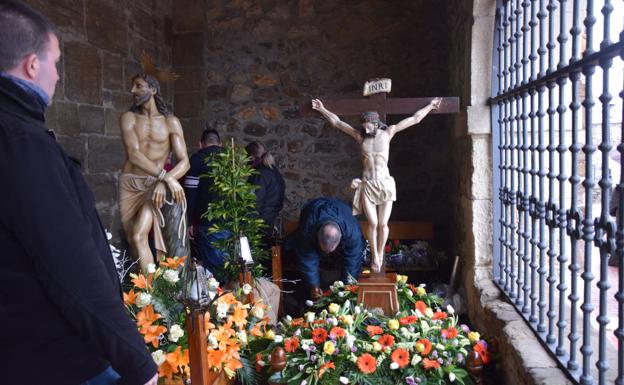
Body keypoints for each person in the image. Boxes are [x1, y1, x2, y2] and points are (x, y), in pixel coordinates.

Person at [0, 1, 157, 384]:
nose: (57, 75)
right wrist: (138, 361)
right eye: (55, 62)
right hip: (54, 358)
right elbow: (68, 262)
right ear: (32, 65)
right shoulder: (21, 141)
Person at [312, 97, 441, 272]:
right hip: (367, 185)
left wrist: (430, 106)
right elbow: (337, 123)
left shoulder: (389, 133)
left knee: (382, 224)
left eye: (367, 125)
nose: (364, 128)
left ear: (375, 123)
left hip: (385, 184)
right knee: (372, 223)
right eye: (363, 125)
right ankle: (375, 255)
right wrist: (322, 109)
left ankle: (380, 253)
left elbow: (415, 119)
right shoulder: (360, 138)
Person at [119, 73, 190, 271]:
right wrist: (166, 177)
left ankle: (150, 293)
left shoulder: (170, 122)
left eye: (138, 86)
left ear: (153, 90)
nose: (133, 90)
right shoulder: (129, 118)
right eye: (133, 86)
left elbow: (185, 161)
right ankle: (144, 286)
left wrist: (161, 181)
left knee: (138, 235)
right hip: (130, 183)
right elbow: (134, 154)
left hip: (153, 185)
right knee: (132, 240)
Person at [288, 197, 366, 299]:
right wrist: (313, 285)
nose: (327, 253)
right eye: (325, 250)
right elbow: (307, 257)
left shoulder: (352, 231)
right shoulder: (308, 226)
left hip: (343, 212)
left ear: (340, 238)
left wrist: (347, 289)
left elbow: (353, 260)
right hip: (313, 209)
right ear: (318, 236)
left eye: (330, 250)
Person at [183, 128, 228, 278]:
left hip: (207, 222)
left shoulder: (197, 160)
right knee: (231, 266)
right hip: (232, 222)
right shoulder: (231, 159)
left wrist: (189, 221)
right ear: (220, 144)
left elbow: (190, 193)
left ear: (200, 144)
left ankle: (219, 299)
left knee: (212, 271)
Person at [245, 141, 286, 238]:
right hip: (269, 220)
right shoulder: (273, 171)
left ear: (251, 157)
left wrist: (247, 225)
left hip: (260, 224)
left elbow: (255, 202)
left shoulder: (260, 174)